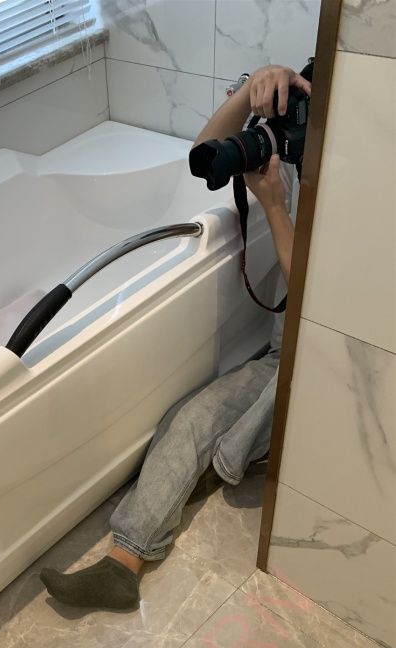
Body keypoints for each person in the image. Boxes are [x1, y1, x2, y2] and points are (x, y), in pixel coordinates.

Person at [40, 64, 311, 610]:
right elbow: (202, 151)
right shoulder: (296, 150)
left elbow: (318, 304)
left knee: (236, 433)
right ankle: (122, 565)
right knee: (185, 421)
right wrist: (255, 87)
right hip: (283, 357)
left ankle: (225, 462)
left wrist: (274, 208)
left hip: (322, 373)